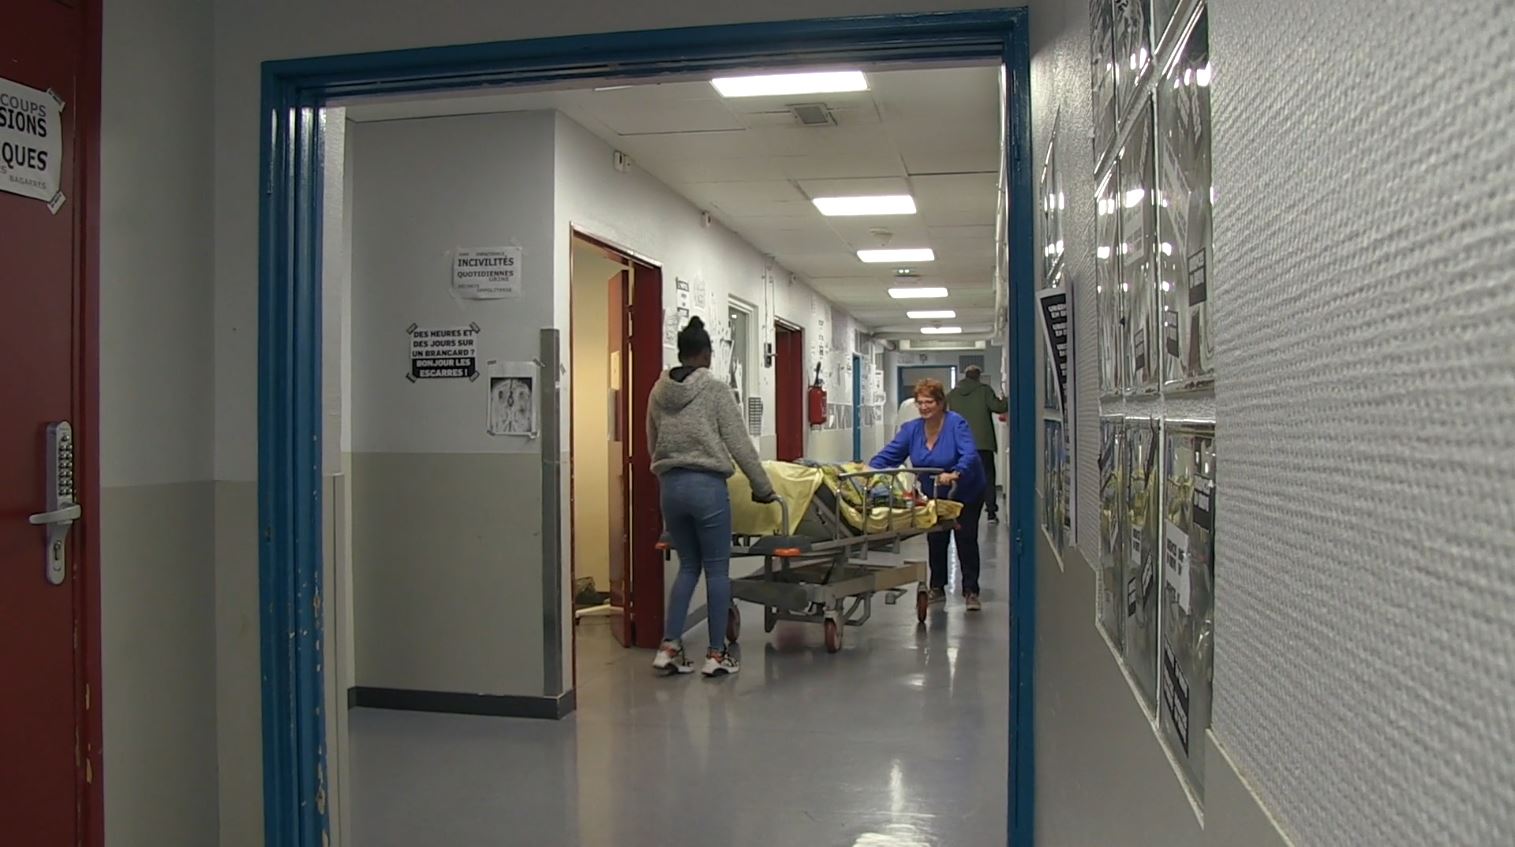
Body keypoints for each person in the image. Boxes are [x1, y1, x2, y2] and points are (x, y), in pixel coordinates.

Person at [647, 316, 776, 676]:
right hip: (706, 488)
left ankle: (669, 647)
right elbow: (739, 444)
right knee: (717, 570)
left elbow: (652, 442)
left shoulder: (657, 391)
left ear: (680, 353)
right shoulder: (716, 389)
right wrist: (763, 487)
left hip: (671, 488)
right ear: (706, 354)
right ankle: (716, 655)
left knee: (688, 566)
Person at [869, 378, 988, 611]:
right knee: (935, 538)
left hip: (965, 489)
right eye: (920, 402)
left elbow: (969, 453)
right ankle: (937, 586)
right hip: (934, 492)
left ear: (941, 402)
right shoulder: (911, 429)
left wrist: (955, 473)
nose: (924, 407)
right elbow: (890, 454)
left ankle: (971, 591)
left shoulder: (956, 423)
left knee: (965, 538)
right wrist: (869, 469)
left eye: (929, 402)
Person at [948, 365, 1008, 524]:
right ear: (978, 376)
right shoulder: (984, 390)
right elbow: (999, 407)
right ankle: (991, 513)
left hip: (960, 445)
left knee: (960, 476)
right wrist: (1006, 398)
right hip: (983, 443)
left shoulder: (952, 394)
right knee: (988, 477)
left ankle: (959, 511)